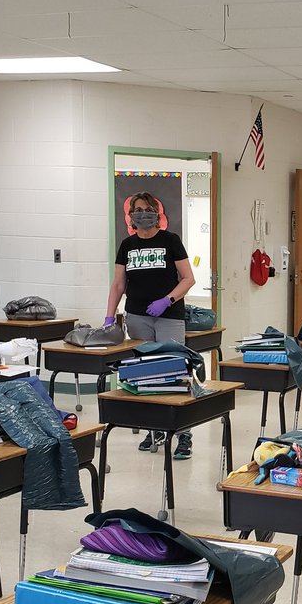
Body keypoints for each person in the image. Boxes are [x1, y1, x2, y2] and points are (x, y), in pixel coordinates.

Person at [104, 191, 197, 459]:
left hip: (168, 315)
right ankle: (154, 429)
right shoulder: (127, 245)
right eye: (138, 210)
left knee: (175, 370)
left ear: (157, 213)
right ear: (131, 215)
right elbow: (118, 284)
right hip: (137, 316)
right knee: (144, 374)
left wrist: (167, 300)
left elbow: (188, 278)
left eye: (147, 209)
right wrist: (109, 316)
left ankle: (183, 433)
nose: (143, 214)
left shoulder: (170, 241)